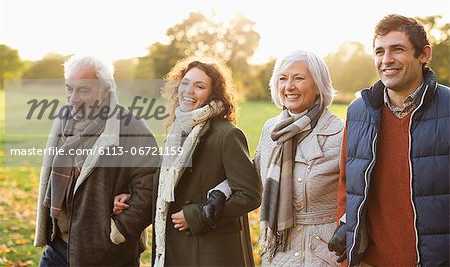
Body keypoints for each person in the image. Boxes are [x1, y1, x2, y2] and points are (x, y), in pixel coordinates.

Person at [113, 56, 261, 266]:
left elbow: (250, 195)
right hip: (175, 248)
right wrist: (130, 198)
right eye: (185, 83)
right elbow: (167, 188)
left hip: (211, 253)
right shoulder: (177, 132)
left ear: (213, 93)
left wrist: (197, 215)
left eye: (199, 86)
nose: (188, 91)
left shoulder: (227, 135)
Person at [329, 14, 450, 266]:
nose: (386, 60)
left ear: (424, 54)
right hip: (370, 261)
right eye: (379, 51)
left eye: (397, 49)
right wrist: (346, 224)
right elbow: (346, 184)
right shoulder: (358, 111)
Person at [34, 55, 157, 266]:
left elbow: (150, 187)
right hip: (59, 247)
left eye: (83, 89)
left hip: (108, 253)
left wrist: (117, 231)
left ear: (105, 88)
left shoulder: (131, 127)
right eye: (69, 88)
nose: (73, 98)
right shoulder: (63, 119)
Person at [253, 50, 344, 266]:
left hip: (322, 253)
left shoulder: (340, 133)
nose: (289, 86)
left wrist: (348, 225)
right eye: (282, 79)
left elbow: (362, 192)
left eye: (299, 78)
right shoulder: (271, 129)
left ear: (318, 85)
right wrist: (221, 192)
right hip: (277, 253)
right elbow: (251, 173)